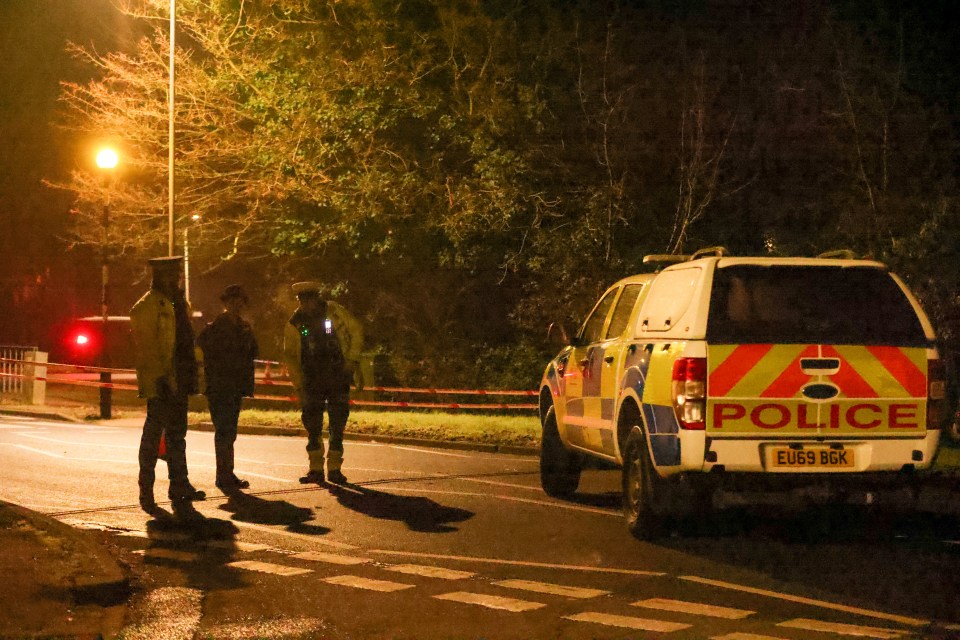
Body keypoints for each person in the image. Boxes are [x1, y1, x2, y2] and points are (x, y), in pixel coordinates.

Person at [129, 256, 205, 513]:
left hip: (180, 378)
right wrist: (160, 378)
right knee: (153, 436)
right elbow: (148, 350)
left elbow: (185, 341)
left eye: (177, 274)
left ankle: (179, 485)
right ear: (158, 276)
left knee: (177, 435)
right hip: (162, 381)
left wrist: (193, 372)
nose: (175, 279)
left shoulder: (179, 303)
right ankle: (146, 487)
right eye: (170, 275)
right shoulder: (148, 306)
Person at [283, 282, 364, 485]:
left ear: (317, 298)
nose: (306, 304)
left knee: (338, 424)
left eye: (310, 299)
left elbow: (355, 331)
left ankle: (335, 469)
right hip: (312, 380)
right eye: (302, 300)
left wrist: (352, 361)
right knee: (313, 425)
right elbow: (291, 357)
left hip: (338, 375)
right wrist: (299, 385)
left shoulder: (334, 312)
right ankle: (316, 469)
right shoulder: (295, 323)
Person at [197, 284, 259, 494]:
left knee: (229, 431)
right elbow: (206, 351)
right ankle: (223, 475)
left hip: (235, 386)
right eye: (232, 300)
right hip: (219, 386)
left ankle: (227, 472)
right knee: (224, 430)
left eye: (240, 301)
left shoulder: (244, 327)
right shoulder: (215, 327)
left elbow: (253, 352)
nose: (236, 304)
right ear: (225, 303)